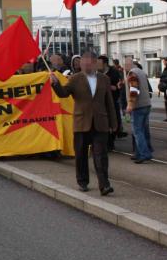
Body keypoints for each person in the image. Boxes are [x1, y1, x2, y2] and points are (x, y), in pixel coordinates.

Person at [49, 51, 117, 196]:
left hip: (100, 122)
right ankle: (82, 181)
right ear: (81, 64)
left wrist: (114, 123)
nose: (86, 66)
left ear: (95, 63)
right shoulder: (75, 78)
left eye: (89, 63)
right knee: (80, 154)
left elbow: (109, 102)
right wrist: (55, 84)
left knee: (101, 155)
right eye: (83, 63)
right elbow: (63, 93)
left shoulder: (104, 79)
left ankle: (104, 185)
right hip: (81, 123)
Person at [124, 56, 153, 163]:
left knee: (137, 131)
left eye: (125, 65)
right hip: (146, 104)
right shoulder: (141, 72)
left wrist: (130, 104)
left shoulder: (132, 74)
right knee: (144, 130)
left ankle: (144, 154)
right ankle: (144, 150)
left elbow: (134, 89)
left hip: (138, 106)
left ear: (128, 65)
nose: (124, 68)